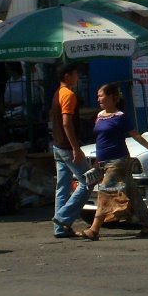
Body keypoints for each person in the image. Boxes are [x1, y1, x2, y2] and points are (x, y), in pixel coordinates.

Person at [76, 83, 148, 240]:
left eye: (101, 96)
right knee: (133, 194)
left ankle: (94, 229)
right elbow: (100, 140)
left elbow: (136, 135)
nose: (98, 99)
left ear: (112, 97)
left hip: (118, 161)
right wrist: (97, 161)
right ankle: (147, 224)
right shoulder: (100, 115)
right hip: (104, 161)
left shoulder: (120, 117)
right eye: (98, 96)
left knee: (105, 192)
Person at [50, 62, 89, 239]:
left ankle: (60, 228)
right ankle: (62, 218)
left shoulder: (58, 93)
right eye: (75, 74)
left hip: (57, 145)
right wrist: (75, 148)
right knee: (88, 181)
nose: (77, 77)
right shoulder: (69, 95)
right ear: (67, 76)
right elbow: (67, 122)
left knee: (63, 187)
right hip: (66, 147)